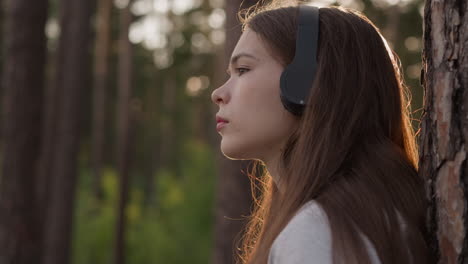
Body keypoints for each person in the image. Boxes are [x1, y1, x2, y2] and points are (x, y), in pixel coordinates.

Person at [210, 1, 431, 264]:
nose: (218, 94)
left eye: (243, 70)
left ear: (305, 83)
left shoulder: (318, 233)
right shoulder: (368, 218)